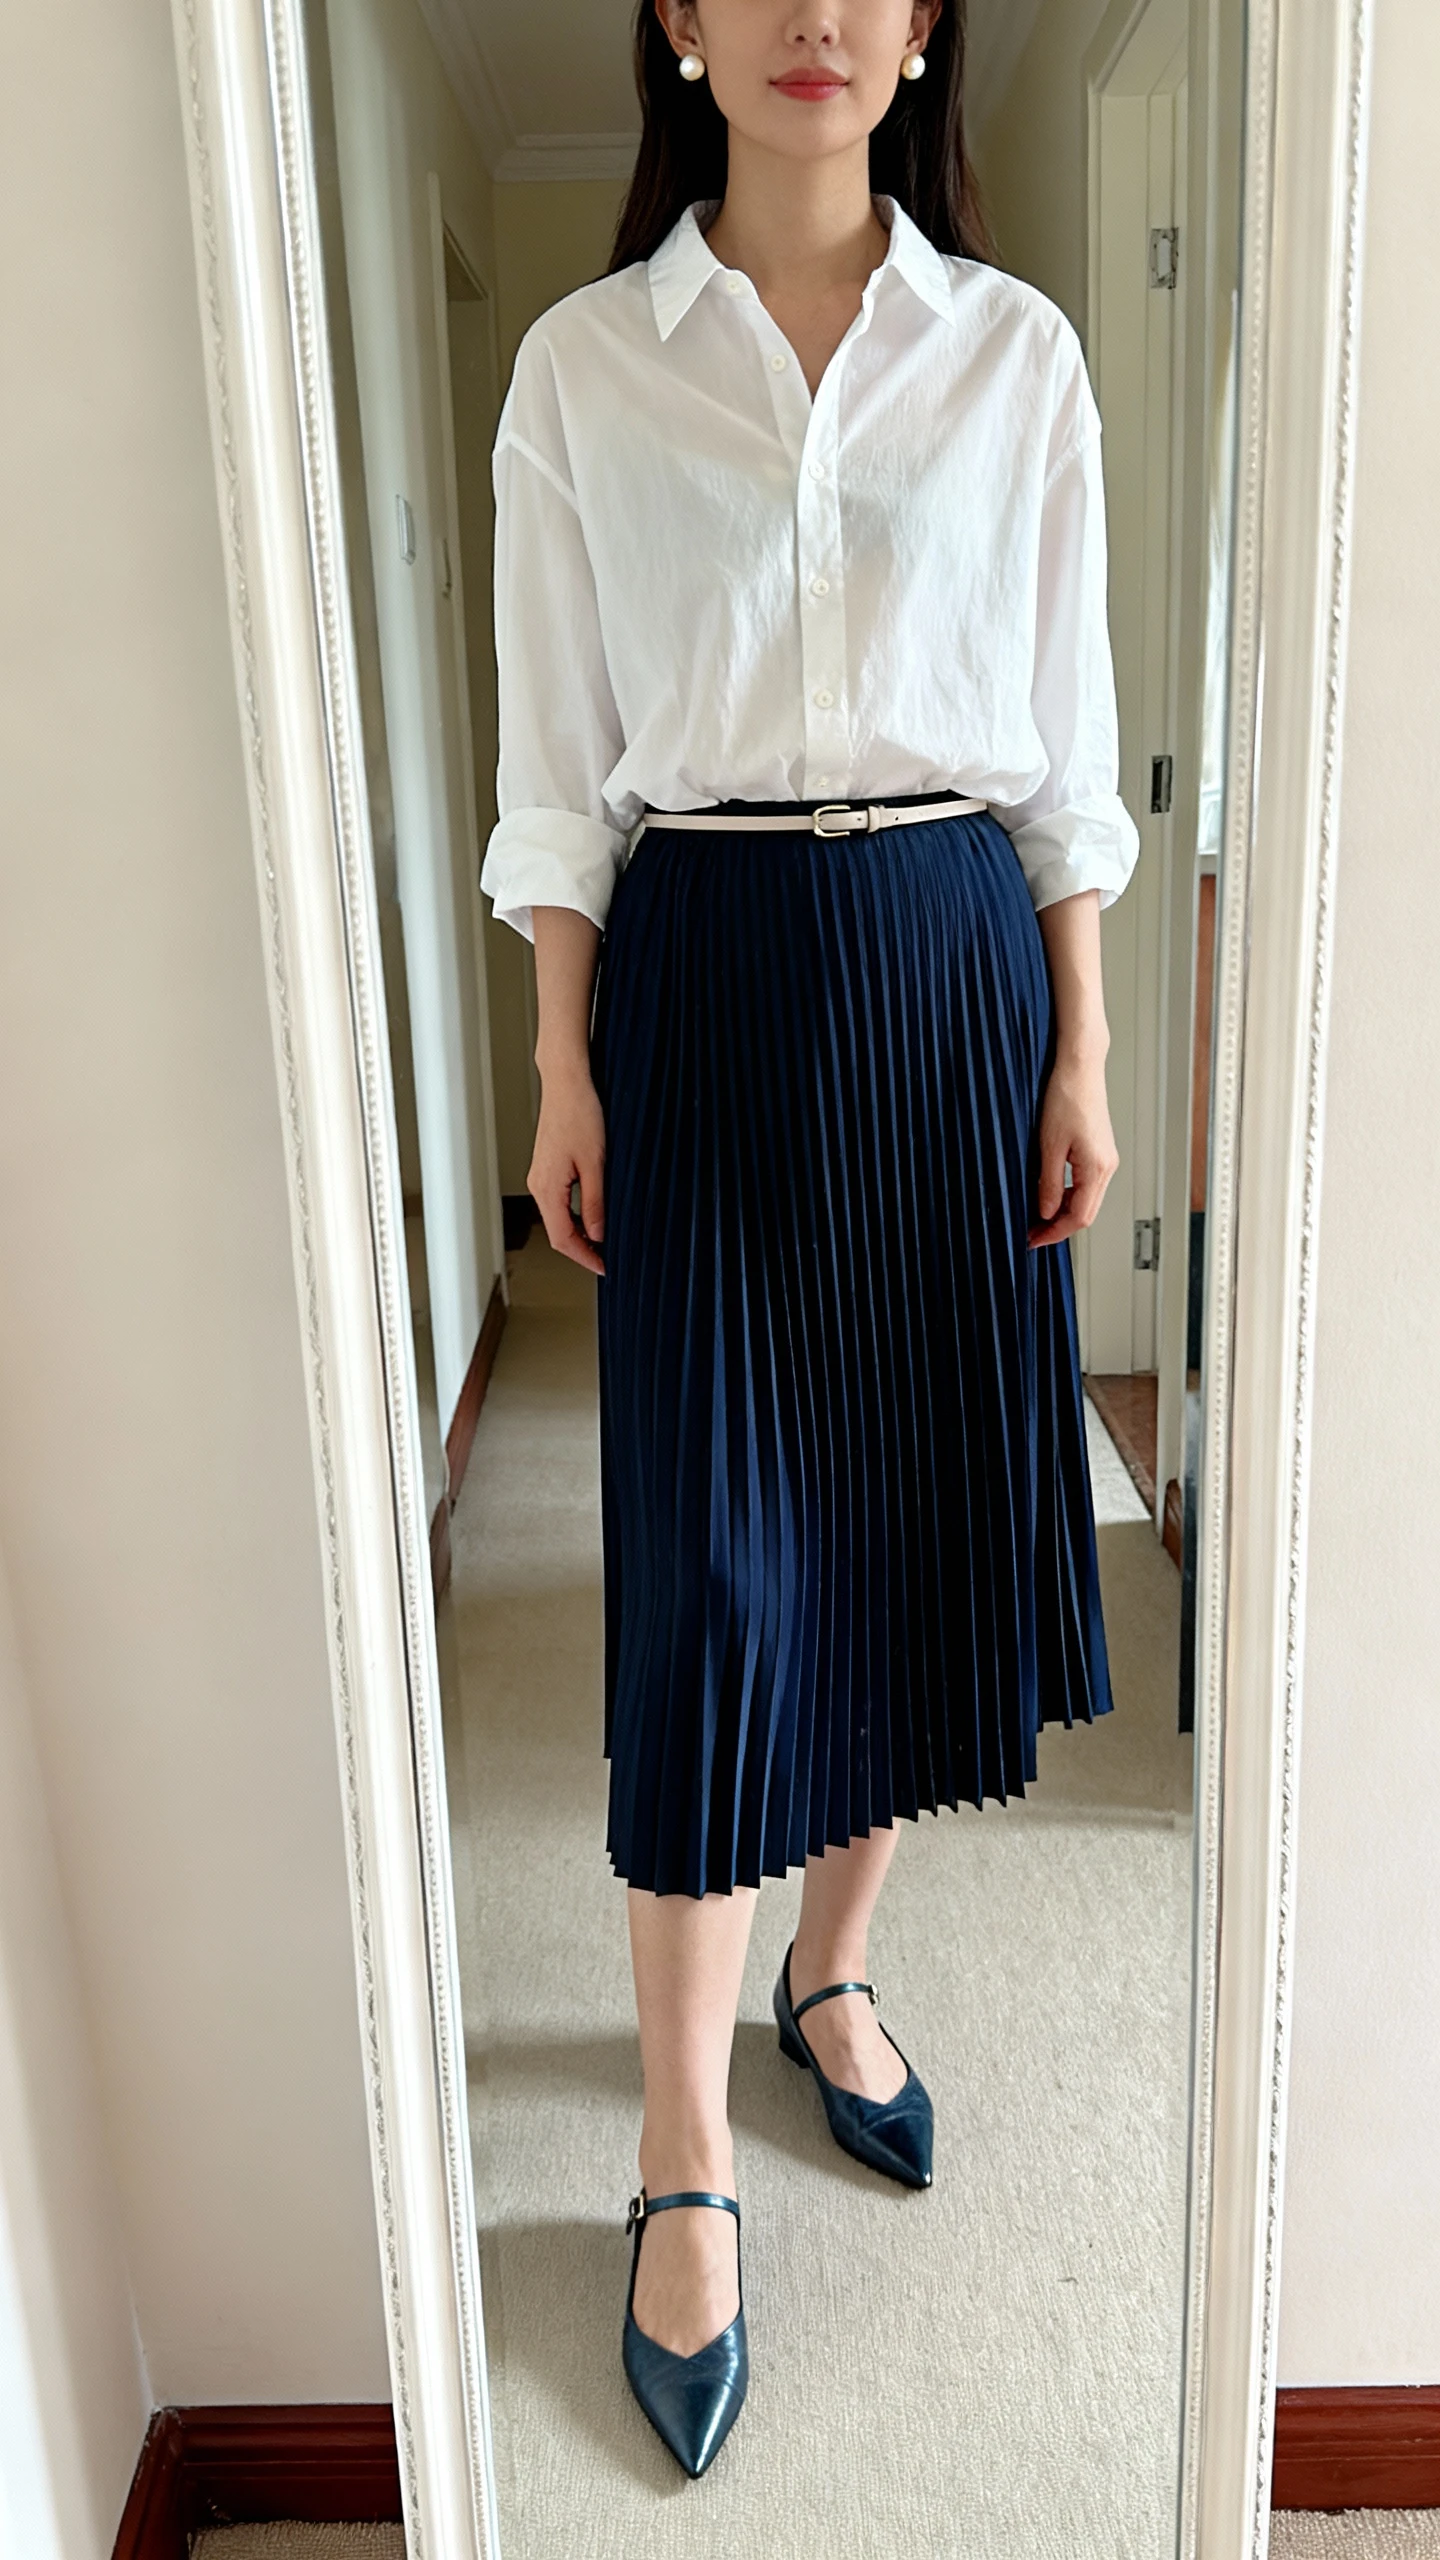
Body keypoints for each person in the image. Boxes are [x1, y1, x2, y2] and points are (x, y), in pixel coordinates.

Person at [479, 0, 1138, 2480]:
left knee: (904, 1544)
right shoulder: (581, 368)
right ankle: (676, 2144)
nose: (814, 18)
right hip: (718, 981)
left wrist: (1078, 1044)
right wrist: (566, 1056)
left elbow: (1063, 746)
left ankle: (830, 1985)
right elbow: (560, 770)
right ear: (673, 15)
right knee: (716, 1580)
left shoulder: (1022, 356)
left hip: (961, 977)